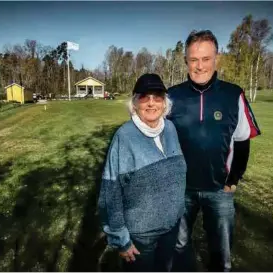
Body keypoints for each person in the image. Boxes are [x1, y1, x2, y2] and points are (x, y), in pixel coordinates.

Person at [167, 30, 261, 272]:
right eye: (194, 59)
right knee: (177, 247)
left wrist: (234, 179)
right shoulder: (171, 97)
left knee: (221, 251)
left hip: (220, 190)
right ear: (186, 60)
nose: (200, 66)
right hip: (180, 191)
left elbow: (242, 140)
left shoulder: (233, 94)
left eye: (206, 59)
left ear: (216, 58)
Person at [98, 73, 187, 272]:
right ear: (134, 104)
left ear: (165, 103)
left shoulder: (170, 128)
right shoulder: (124, 137)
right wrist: (120, 238)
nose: (151, 103)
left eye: (157, 97)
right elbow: (110, 193)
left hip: (171, 228)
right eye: (144, 97)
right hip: (141, 237)